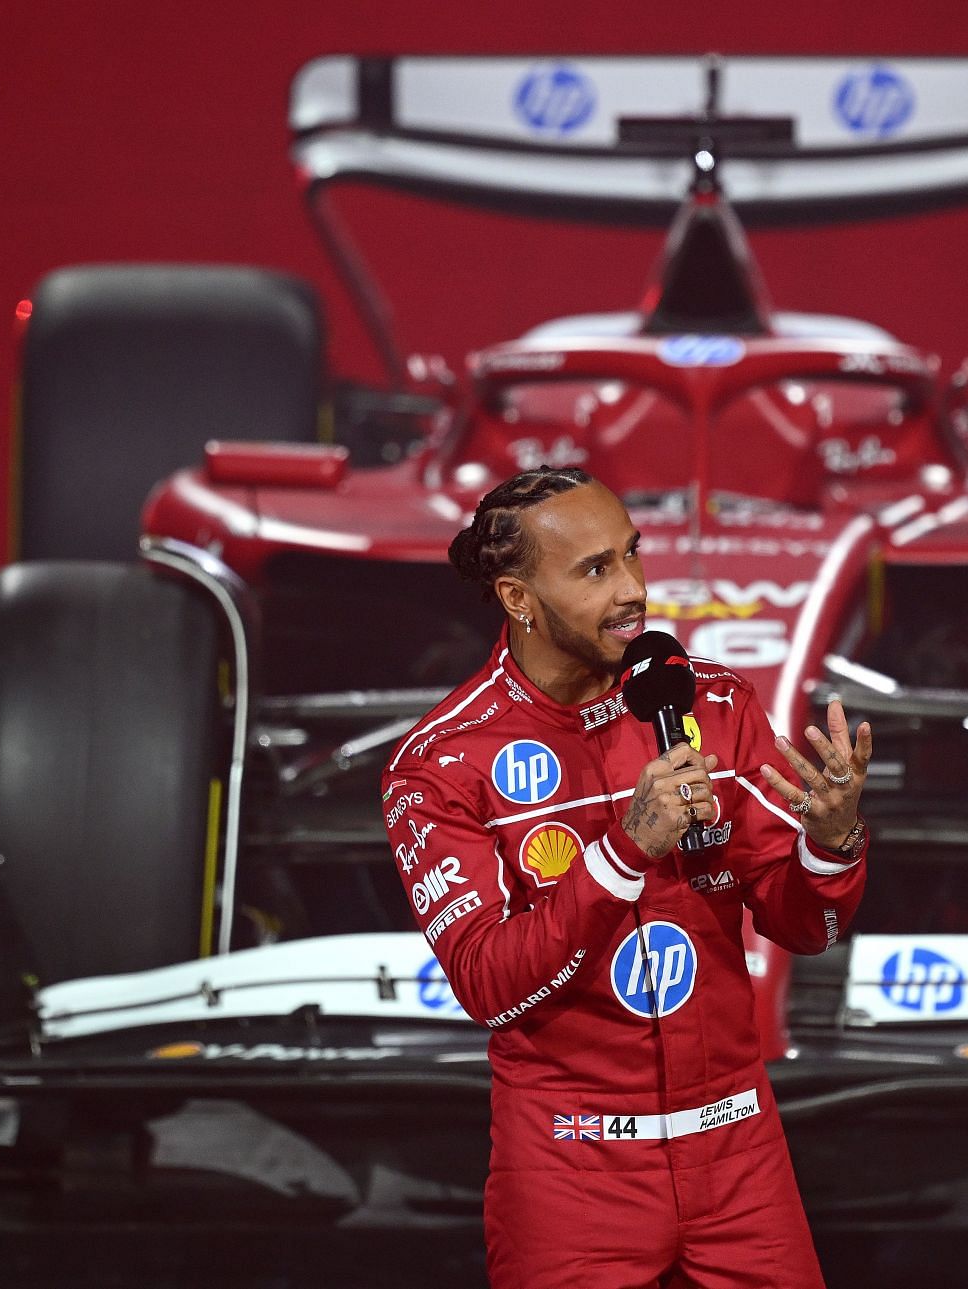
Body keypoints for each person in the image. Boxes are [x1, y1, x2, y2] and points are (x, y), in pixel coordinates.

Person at [382, 467, 873, 1287]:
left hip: (739, 1154)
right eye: (595, 569)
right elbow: (489, 986)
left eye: (632, 556)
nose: (635, 590)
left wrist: (832, 841)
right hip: (570, 1169)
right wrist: (623, 851)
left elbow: (806, 928)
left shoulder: (711, 702)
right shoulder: (439, 765)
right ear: (517, 598)